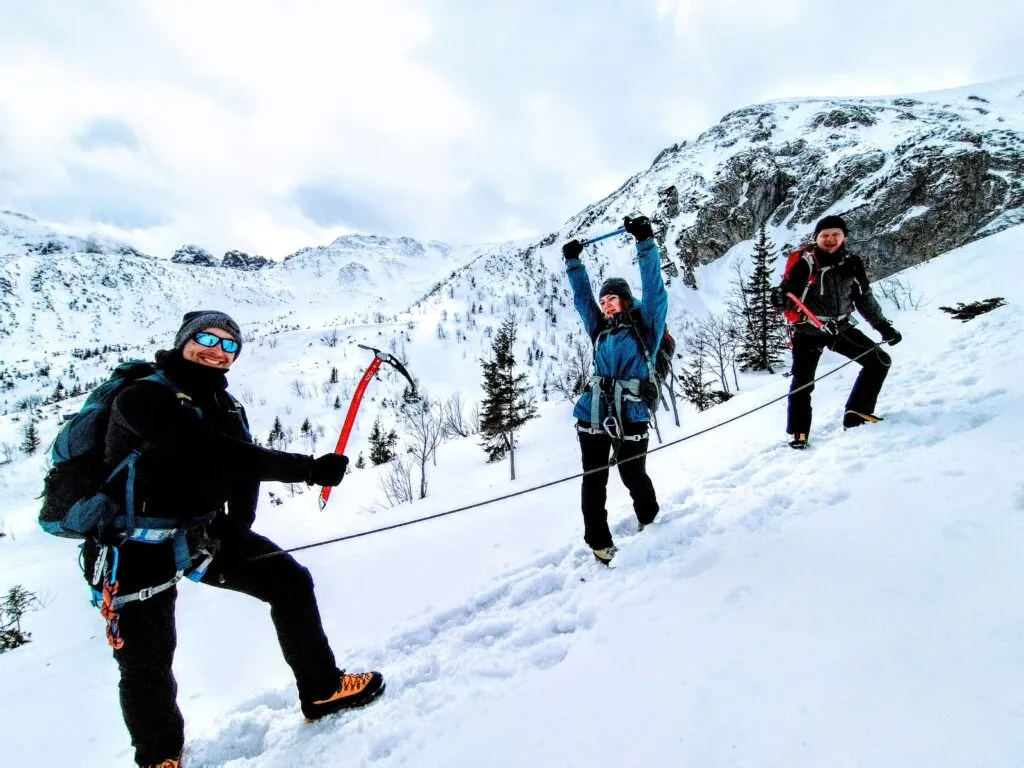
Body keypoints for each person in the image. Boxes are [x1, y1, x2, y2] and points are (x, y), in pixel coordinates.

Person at [82, 311, 384, 768]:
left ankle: (322, 690)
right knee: (147, 659)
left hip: (201, 531)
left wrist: (240, 530)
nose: (217, 351)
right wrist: (306, 469)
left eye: (229, 345)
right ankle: (159, 757)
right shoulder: (141, 396)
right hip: (132, 544)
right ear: (183, 341)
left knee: (289, 582)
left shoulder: (225, 405)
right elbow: (211, 452)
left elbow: (243, 470)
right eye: (207, 339)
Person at [561, 216, 669, 564]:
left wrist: (645, 242)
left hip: (632, 411)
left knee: (632, 473)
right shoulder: (600, 329)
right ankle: (598, 541)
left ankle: (649, 518)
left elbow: (655, 291)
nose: (606, 304)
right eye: (604, 300)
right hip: (593, 411)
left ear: (625, 300)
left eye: (612, 299)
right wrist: (573, 262)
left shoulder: (646, 327)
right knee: (594, 479)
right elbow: (582, 301)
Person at [772, 215, 903, 449]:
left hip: (840, 327)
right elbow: (788, 298)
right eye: (825, 235)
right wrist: (779, 300)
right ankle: (797, 432)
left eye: (836, 235)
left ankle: (857, 414)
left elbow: (864, 299)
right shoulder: (806, 264)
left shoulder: (853, 264)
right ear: (816, 238)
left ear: (844, 237)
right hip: (807, 331)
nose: (830, 239)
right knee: (803, 382)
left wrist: (883, 326)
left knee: (879, 361)